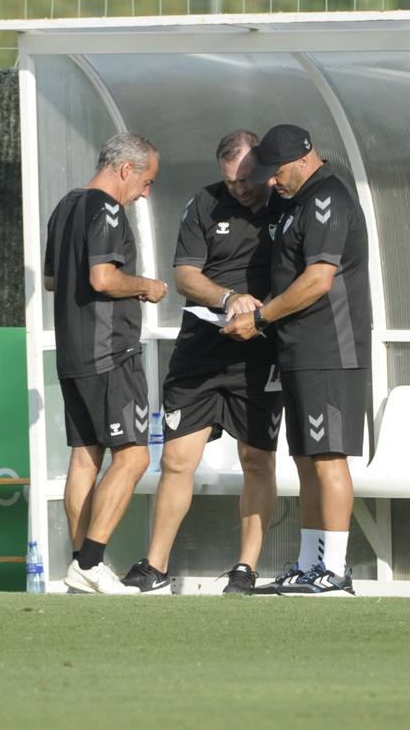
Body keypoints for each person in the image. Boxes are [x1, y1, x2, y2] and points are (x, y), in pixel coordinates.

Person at [120, 131, 287, 596]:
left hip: (260, 354)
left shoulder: (284, 205)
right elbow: (186, 276)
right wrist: (231, 298)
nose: (241, 189)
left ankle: (245, 570)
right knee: (176, 458)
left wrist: (261, 313)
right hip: (201, 351)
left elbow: (303, 277)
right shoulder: (203, 204)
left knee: (257, 460)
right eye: (231, 181)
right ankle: (154, 567)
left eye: (247, 179)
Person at [223, 124, 371, 595]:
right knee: (307, 459)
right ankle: (310, 564)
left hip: (330, 348)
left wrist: (262, 318)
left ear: (303, 161)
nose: (270, 181)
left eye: (275, 172)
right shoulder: (297, 203)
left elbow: (317, 281)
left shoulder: (328, 198)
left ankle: (338, 569)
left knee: (328, 458)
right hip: (300, 350)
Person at [43, 133, 167, 595]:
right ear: (125, 170)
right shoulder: (108, 210)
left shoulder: (65, 207)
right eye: (147, 181)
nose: (145, 192)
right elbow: (102, 277)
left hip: (73, 353)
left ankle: (81, 566)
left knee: (85, 458)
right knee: (134, 456)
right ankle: (91, 564)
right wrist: (145, 286)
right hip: (109, 351)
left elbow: (55, 280)